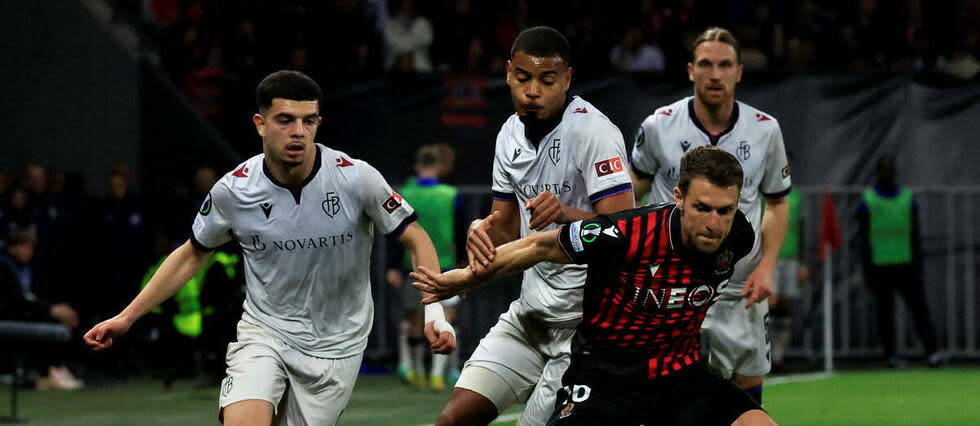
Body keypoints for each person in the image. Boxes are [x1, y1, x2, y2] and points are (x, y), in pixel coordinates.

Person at [84, 70, 457, 425]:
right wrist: (127, 317)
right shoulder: (234, 191)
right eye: (285, 120)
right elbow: (192, 253)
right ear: (260, 124)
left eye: (308, 121)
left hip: (338, 343)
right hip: (266, 332)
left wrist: (434, 314)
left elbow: (416, 238)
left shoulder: (356, 177)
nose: (298, 132)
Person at [414, 146, 775, 425]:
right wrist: (463, 278)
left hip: (679, 376)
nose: (714, 223)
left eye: (725, 211)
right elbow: (538, 246)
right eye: (702, 208)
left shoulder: (737, 237)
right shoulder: (628, 234)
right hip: (606, 380)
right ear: (678, 197)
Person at [440, 26, 635, 426]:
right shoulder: (509, 134)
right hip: (529, 316)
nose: (533, 91)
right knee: (452, 420)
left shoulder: (594, 133)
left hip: (584, 328)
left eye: (547, 80)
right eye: (524, 78)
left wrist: (567, 214)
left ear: (566, 79)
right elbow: (505, 229)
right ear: (509, 73)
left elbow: (625, 232)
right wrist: (480, 228)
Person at [629, 27, 791, 404]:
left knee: (746, 398)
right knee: (664, 401)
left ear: (739, 72)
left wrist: (767, 266)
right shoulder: (658, 126)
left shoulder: (766, 131)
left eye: (724, 65)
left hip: (739, 292)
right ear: (690, 70)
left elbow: (778, 203)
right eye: (705, 64)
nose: (714, 73)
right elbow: (628, 193)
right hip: (669, 291)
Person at [857, 155, 944, 368]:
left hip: (906, 263)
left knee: (919, 309)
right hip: (880, 264)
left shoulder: (908, 198)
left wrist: (918, 262)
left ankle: (932, 351)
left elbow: (915, 233)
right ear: (877, 174)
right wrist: (867, 267)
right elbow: (862, 238)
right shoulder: (868, 201)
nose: (887, 175)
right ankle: (891, 355)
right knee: (885, 314)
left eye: (890, 171)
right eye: (884, 171)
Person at [387, 143, 462, 391]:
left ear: (418, 166)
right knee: (446, 319)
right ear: (438, 166)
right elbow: (461, 232)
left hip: (413, 266)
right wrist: (465, 262)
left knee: (413, 320)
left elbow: (397, 231)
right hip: (446, 265)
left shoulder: (406, 193)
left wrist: (393, 266)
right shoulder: (450, 194)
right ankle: (439, 374)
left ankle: (414, 368)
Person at [0, 228, 83, 390]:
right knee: (49, 322)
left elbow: (31, 296)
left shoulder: (25, 268)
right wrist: (51, 310)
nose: (29, 252)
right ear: (12, 248)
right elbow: (18, 299)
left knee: (61, 317)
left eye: (31, 247)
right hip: (8, 319)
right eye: (24, 247)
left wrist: (57, 308)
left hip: (22, 314)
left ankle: (58, 368)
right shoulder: (4, 266)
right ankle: (52, 370)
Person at [769, 186, 807, 371]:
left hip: (791, 257)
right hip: (770, 257)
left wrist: (802, 262)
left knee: (785, 306)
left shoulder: (796, 197)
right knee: (769, 304)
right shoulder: (764, 195)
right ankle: (764, 355)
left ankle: (778, 356)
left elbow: (801, 229)